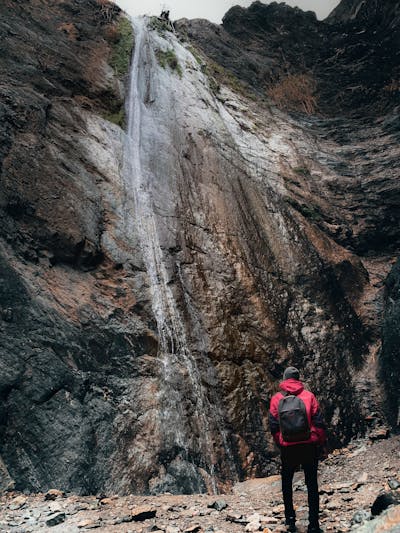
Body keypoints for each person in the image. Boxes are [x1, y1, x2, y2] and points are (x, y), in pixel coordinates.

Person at [269, 367, 327, 533]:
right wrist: (320, 442)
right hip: (308, 445)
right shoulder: (309, 396)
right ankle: (314, 524)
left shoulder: (276, 399)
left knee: (287, 483)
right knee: (312, 484)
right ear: (298, 378)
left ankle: (290, 520)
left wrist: (281, 441)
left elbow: (273, 425)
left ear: (285, 379)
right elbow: (319, 423)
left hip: (288, 448)